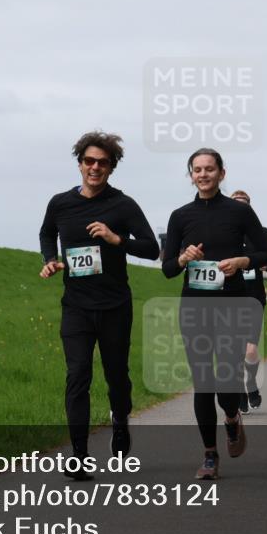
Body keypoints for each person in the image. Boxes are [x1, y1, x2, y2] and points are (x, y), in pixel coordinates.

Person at [39, 131, 160, 480]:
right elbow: (47, 232)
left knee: (116, 377)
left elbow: (152, 248)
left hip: (114, 306)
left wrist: (115, 238)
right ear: (79, 164)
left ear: (111, 168)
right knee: (77, 376)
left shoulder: (122, 205)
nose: (95, 167)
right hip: (76, 306)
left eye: (102, 163)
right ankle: (78, 455)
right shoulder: (60, 203)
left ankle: (120, 419)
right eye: (89, 161)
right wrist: (50, 258)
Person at [163, 148, 267, 480]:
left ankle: (232, 419)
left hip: (231, 307)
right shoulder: (180, 216)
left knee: (226, 383)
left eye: (210, 169)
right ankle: (210, 456)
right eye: (197, 169)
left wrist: (242, 261)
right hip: (195, 308)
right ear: (191, 175)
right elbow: (167, 269)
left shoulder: (239, 212)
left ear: (221, 173)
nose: (204, 174)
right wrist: (182, 259)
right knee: (202, 382)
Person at [230, 189, 267, 413]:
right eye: (236, 204)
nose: (240, 208)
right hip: (229, 298)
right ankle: (239, 390)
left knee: (249, 351)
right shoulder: (225, 233)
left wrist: (265, 264)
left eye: (244, 204)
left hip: (253, 297)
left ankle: (250, 383)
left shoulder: (261, 232)